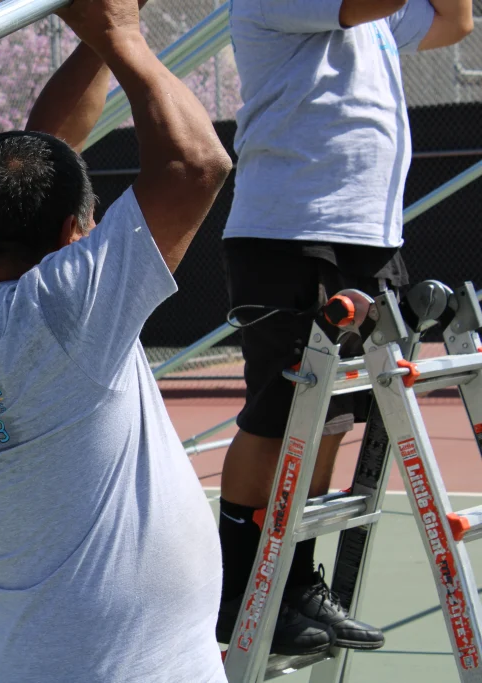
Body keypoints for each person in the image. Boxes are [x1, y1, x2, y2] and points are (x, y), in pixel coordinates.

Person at [0, 0, 234, 678]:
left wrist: (96, 35)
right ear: (68, 241)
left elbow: (39, 146)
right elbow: (197, 164)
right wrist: (121, 36)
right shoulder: (59, 315)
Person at [217, 0, 474, 656]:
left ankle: (297, 581)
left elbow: (454, 22)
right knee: (276, 415)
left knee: (329, 417)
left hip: (368, 233)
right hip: (290, 230)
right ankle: (243, 592)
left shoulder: (371, 19)